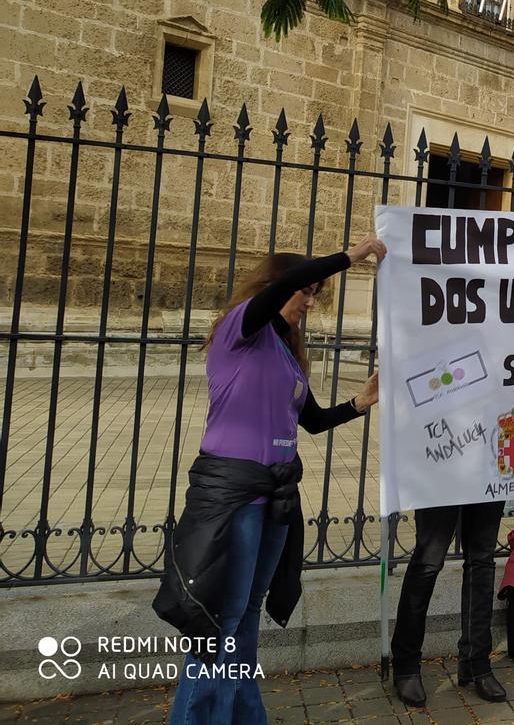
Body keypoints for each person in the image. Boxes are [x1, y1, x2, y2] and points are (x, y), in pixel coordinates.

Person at [154, 237, 386, 725]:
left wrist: (360, 403)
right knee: (219, 620)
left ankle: (243, 716)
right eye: (307, 290)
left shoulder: (284, 354)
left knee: (249, 615)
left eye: (315, 292)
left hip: (275, 495)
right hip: (232, 495)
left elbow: (312, 421)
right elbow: (285, 282)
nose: (309, 300)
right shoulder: (240, 330)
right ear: (276, 286)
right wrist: (352, 257)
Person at [391, 198, 514, 708]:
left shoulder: (506, 309)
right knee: (428, 559)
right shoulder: (441, 314)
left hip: (492, 452)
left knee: (480, 558)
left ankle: (474, 663)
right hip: (443, 451)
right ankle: (405, 663)